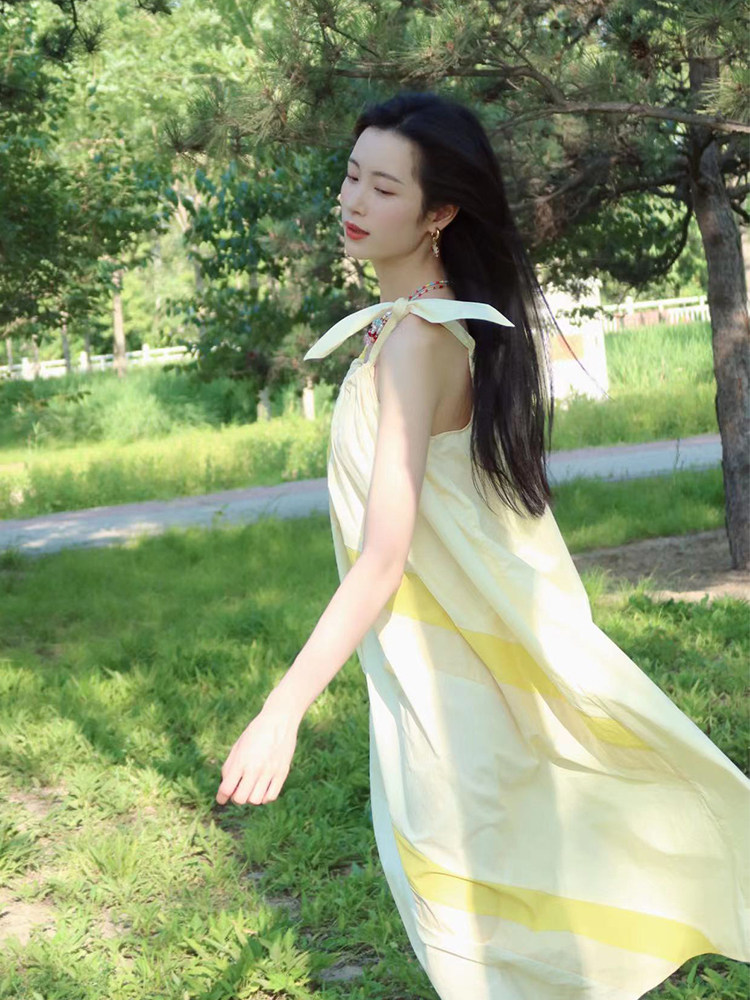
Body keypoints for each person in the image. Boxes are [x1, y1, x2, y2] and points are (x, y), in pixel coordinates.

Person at [216, 91, 750, 999]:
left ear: (439, 214)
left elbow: (384, 556)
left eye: (385, 188)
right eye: (352, 176)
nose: (354, 201)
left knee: (479, 928)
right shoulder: (410, 329)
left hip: (453, 681)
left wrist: (283, 709)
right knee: (492, 921)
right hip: (443, 668)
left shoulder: (415, 345)